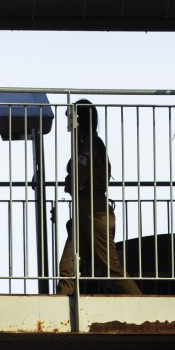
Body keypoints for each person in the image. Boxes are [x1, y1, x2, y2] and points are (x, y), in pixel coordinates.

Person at [55, 99, 140, 295]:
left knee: (111, 270)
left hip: (94, 211)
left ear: (80, 120)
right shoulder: (87, 145)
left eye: (71, 118)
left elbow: (76, 178)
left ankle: (142, 305)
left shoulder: (92, 145)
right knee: (67, 265)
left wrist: (73, 180)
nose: (68, 124)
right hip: (86, 211)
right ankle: (58, 307)